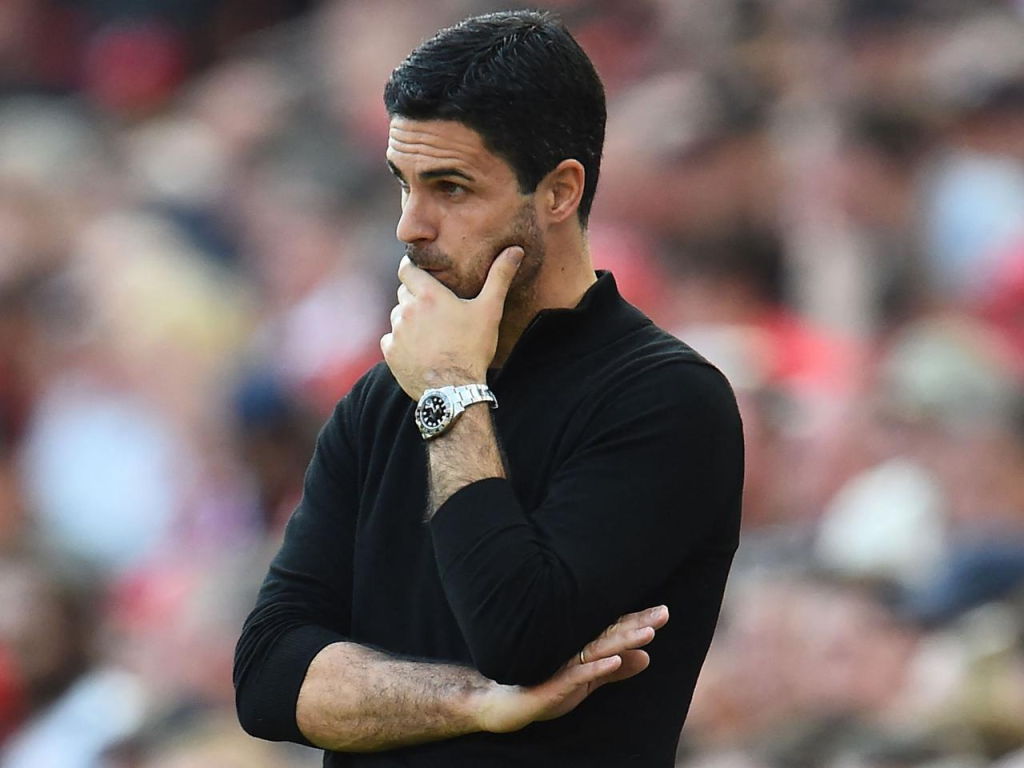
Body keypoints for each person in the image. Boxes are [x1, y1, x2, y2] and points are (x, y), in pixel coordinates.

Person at [233, 10, 744, 767]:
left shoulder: (666, 400)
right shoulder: (381, 399)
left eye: (451, 187)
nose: (410, 225)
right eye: (404, 184)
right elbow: (267, 677)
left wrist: (449, 391)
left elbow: (520, 635)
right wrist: (472, 703)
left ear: (560, 192)